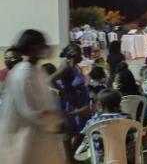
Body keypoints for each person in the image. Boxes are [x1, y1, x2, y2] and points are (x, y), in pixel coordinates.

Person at [0, 29, 66, 164]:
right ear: (32, 48)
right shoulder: (22, 73)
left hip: (40, 140)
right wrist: (56, 120)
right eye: (42, 44)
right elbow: (31, 111)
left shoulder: (37, 72)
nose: (46, 48)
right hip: (25, 142)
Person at [54, 44, 92, 160]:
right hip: (71, 104)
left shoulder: (75, 66)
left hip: (80, 103)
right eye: (79, 54)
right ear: (73, 55)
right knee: (69, 133)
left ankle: (70, 157)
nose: (81, 57)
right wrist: (60, 90)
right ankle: (68, 159)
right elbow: (49, 80)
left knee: (81, 131)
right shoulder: (65, 67)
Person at [75, 89, 133, 163]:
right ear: (119, 103)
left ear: (100, 105)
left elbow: (83, 134)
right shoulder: (127, 119)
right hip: (125, 159)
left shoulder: (92, 122)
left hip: (102, 161)